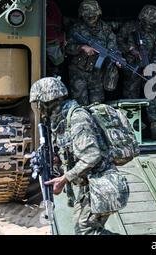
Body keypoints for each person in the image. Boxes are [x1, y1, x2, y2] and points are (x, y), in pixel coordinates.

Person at [29, 77, 129, 235]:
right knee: (82, 230)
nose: (38, 108)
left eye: (39, 103)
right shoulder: (61, 121)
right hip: (90, 187)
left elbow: (92, 156)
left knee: (85, 231)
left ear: (47, 101)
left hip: (103, 184)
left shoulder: (77, 118)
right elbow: (73, 153)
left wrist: (64, 179)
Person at [117, 4, 156, 140]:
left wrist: (151, 68)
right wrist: (130, 49)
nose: (150, 25)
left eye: (153, 23)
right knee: (131, 93)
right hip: (131, 67)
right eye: (148, 22)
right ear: (142, 19)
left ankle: (155, 124)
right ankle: (133, 124)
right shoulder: (130, 27)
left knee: (152, 92)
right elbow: (117, 42)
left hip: (148, 66)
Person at [66, 0, 119, 105]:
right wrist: (82, 48)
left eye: (93, 16)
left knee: (97, 105)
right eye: (88, 16)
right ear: (82, 15)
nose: (91, 18)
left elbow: (113, 47)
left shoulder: (106, 29)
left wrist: (117, 59)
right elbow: (67, 48)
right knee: (80, 104)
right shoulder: (76, 28)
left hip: (97, 73)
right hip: (78, 72)